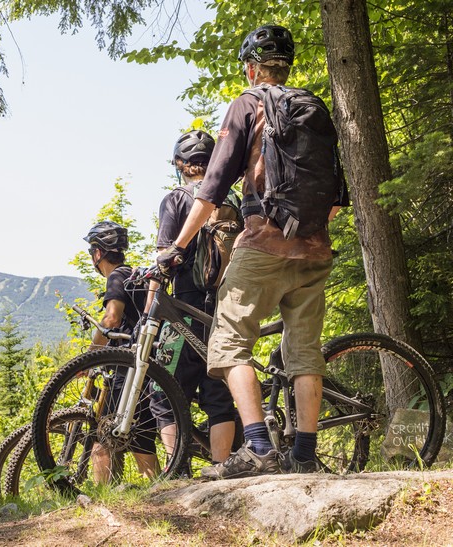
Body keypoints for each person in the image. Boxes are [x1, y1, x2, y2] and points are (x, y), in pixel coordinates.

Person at [156, 24, 349, 478]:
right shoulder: (313, 108)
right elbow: (337, 198)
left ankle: (259, 449)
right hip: (316, 247)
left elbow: (213, 186)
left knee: (228, 343)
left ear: (250, 69)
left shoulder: (249, 104)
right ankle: (303, 455)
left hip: (263, 243)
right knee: (304, 352)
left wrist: (175, 248)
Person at [148, 130, 238, 465]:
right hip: (227, 310)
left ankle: (176, 471)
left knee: (165, 393)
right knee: (218, 395)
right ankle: (220, 469)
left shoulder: (176, 199)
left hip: (184, 311)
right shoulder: (233, 199)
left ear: (182, 165)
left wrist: (149, 316)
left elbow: (163, 262)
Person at [83, 221, 159, 482]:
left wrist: (89, 357)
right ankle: (159, 489)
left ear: (98, 253)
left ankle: (101, 494)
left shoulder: (117, 277)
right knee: (141, 437)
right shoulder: (135, 275)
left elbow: (111, 318)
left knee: (102, 436)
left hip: (125, 366)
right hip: (145, 365)